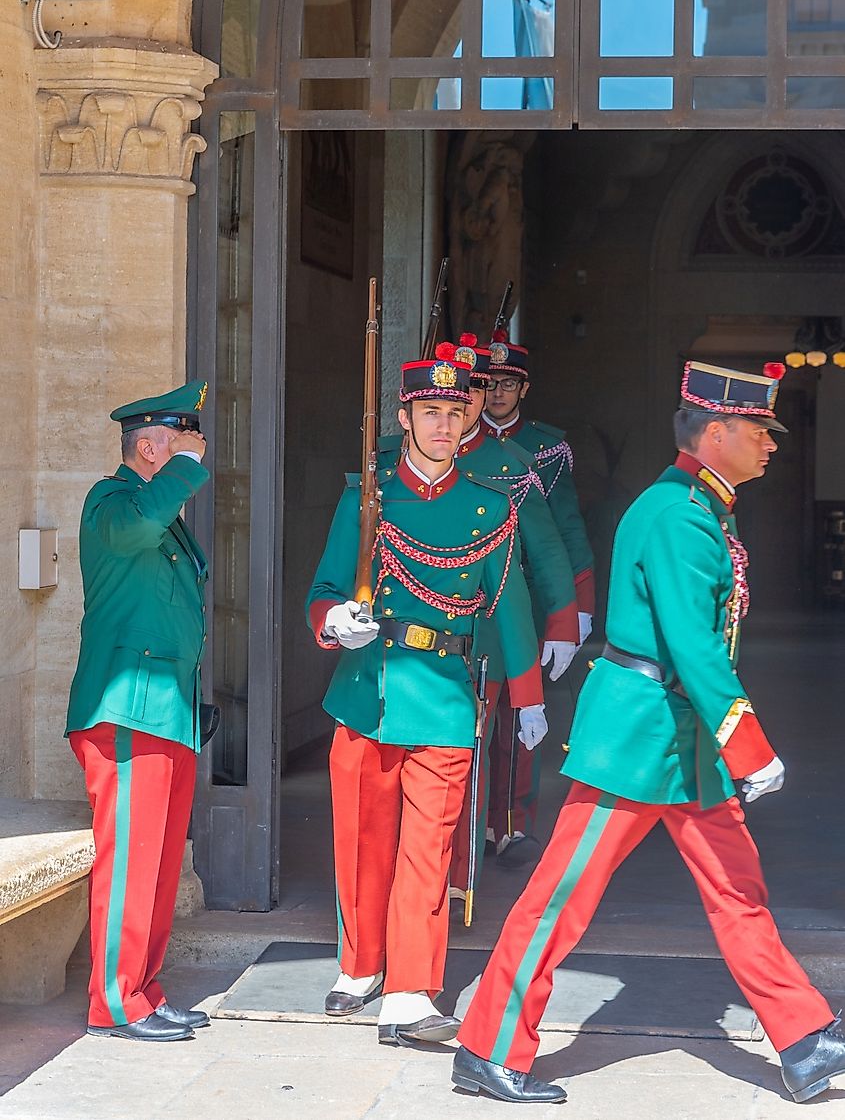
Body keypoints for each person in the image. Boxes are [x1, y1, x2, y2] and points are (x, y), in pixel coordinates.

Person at [452, 361, 845, 1105]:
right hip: (638, 736)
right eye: (760, 431)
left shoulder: (700, 507)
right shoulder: (677, 515)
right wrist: (749, 745)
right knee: (559, 896)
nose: (770, 445)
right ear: (717, 430)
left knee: (739, 891)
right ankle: (489, 1046)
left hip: (678, 737)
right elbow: (691, 644)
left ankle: (801, 1040)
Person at [306, 343, 545, 1047]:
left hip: (443, 693)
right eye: (430, 410)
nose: (444, 424)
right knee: (362, 841)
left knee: (427, 852)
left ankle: (410, 991)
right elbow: (323, 588)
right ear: (404, 416)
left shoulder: (488, 505)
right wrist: (332, 622)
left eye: (455, 410)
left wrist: (526, 696)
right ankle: (360, 965)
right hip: (368, 688)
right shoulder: (368, 495)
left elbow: (508, 606)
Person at [66, 380, 212, 1043]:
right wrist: (183, 470)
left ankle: (143, 992)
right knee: (129, 860)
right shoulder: (112, 500)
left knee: (154, 863)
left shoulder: (159, 509)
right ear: (149, 447)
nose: (191, 459)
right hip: (124, 707)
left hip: (165, 707)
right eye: (178, 446)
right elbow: (137, 531)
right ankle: (114, 1004)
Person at [481, 332, 595, 867]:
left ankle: (516, 823)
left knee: (522, 716)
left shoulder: (546, 449)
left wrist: (575, 609)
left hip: (525, 595)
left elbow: (564, 534)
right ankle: (476, 825)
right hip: (472, 594)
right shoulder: (455, 439)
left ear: (523, 389)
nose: (498, 392)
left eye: (508, 383)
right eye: (490, 382)